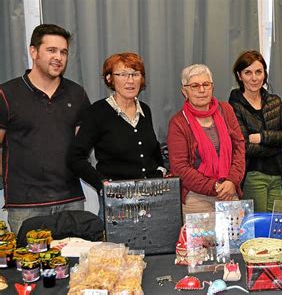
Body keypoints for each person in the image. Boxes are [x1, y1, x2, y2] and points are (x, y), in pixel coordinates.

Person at [0, 24, 91, 234]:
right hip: (25, 205)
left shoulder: (77, 95)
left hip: (71, 201)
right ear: (33, 52)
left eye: (63, 52)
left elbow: (83, 147)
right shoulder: (7, 94)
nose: (58, 57)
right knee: (28, 266)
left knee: (74, 266)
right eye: (51, 50)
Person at [68, 52, 166, 218]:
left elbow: (153, 149)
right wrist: (103, 184)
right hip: (116, 204)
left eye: (135, 74)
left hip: (150, 200)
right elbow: (75, 157)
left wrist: (160, 171)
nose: (130, 80)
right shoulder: (98, 112)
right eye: (123, 74)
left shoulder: (145, 110)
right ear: (109, 79)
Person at [167, 64, 245, 215]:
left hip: (229, 190)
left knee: (235, 238)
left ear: (212, 87)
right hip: (196, 197)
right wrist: (214, 187)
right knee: (204, 240)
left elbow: (239, 147)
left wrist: (232, 181)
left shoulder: (226, 110)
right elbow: (180, 167)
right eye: (195, 86)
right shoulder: (178, 123)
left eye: (206, 85)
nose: (201, 90)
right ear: (185, 91)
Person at [229, 50, 282, 212]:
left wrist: (261, 137)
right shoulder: (234, 105)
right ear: (239, 76)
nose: (254, 78)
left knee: (277, 230)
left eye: (259, 72)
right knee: (258, 229)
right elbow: (245, 147)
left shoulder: (274, 101)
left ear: (264, 74)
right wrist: (278, 146)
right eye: (248, 73)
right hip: (254, 176)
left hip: (280, 174)